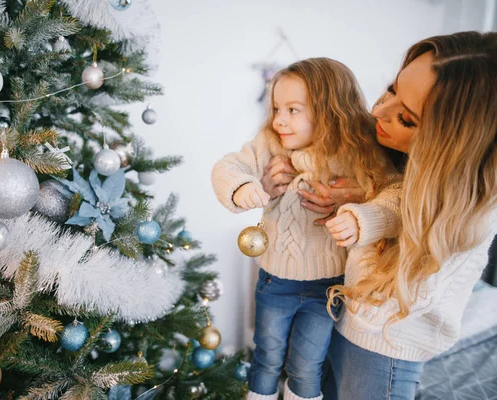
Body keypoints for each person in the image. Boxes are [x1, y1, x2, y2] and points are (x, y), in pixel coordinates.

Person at [260, 31, 497, 399]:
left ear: (448, 145)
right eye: (391, 88)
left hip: (382, 350)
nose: (376, 111)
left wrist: (363, 214)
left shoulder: (465, 216)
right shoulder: (395, 164)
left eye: (405, 117)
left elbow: (374, 310)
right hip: (340, 320)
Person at [212, 58, 393, 400]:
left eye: (293, 109)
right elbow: (229, 165)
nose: (279, 119)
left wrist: (356, 207)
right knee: (265, 359)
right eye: (277, 108)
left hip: (326, 289)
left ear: (329, 111)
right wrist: (241, 185)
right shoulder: (269, 143)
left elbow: (391, 192)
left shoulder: (356, 154)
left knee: (307, 366)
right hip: (275, 282)